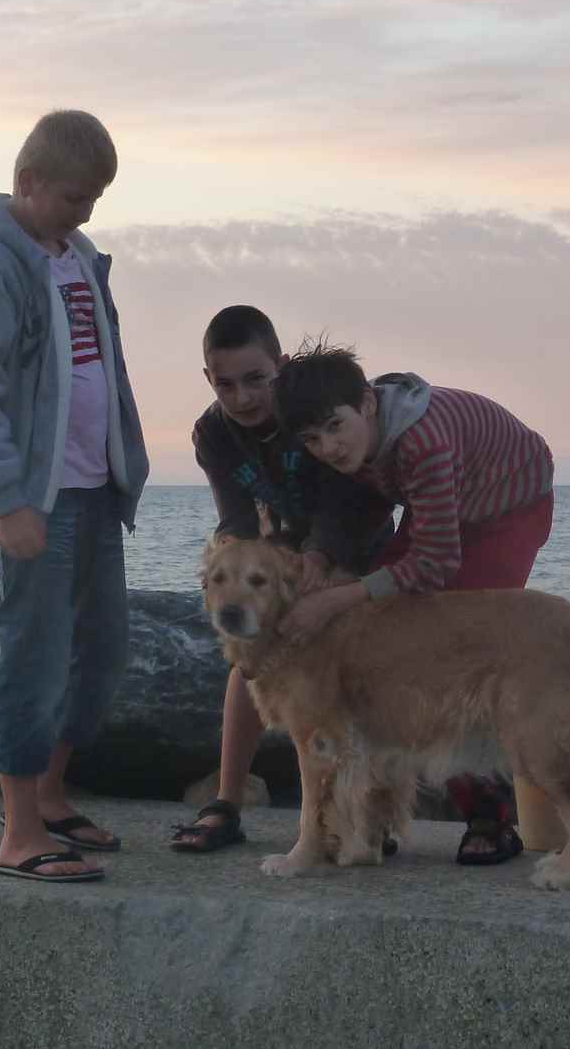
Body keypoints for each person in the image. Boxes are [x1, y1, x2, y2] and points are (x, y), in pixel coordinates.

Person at [0, 109, 149, 882]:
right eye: (72, 198)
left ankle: (53, 797)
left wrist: (125, 463)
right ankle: (19, 834)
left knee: (102, 654)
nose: (84, 213)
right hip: (36, 497)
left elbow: (99, 374)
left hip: (97, 490)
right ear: (27, 183)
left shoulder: (81, 257)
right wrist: (5, 498)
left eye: (93, 201)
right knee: (33, 656)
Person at [270, 342, 554, 865]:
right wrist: (317, 557)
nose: (328, 448)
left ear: (368, 404)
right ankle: (378, 817)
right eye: (313, 438)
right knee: (381, 634)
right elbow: (348, 512)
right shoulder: (355, 445)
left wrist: (334, 599)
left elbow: (436, 564)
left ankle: (491, 815)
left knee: (457, 653)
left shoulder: (423, 442)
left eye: (335, 427)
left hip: (510, 501)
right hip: (449, 504)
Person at [169, 306, 392, 854]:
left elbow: (347, 497)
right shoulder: (213, 433)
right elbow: (237, 517)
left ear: (280, 366)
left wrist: (321, 564)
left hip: (354, 544)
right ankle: (226, 801)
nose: (242, 397)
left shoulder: (303, 410)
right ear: (208, 380)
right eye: (226, 384)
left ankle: (370, 818)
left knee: (364, 682)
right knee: (250, 659)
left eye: (255, 380)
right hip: (282, 551)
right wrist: (238, 565)